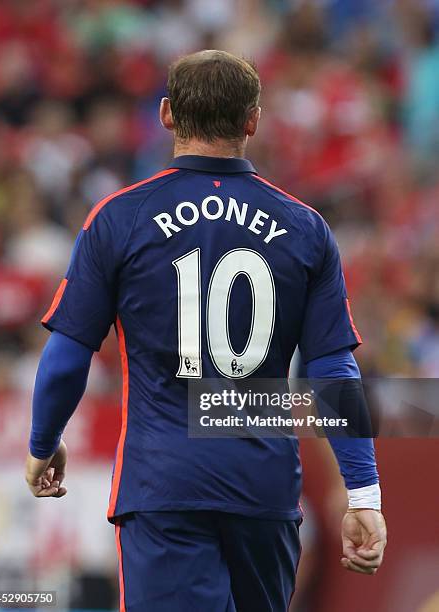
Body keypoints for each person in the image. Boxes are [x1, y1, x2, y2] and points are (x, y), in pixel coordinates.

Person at [25, 50, 387, 612]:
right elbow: (332, 369)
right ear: (253, 121)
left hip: (163, 486)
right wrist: (363, 492)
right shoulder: (305, 227)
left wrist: (43, 443)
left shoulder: (120, 217)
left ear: (167, 115)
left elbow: (69, 356)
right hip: (264, 488)